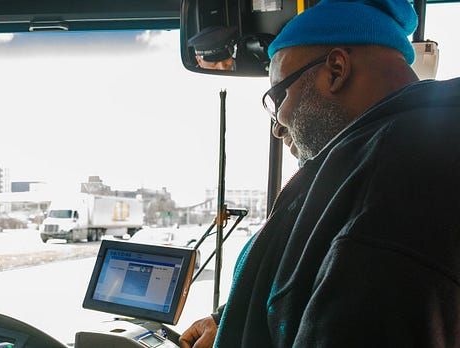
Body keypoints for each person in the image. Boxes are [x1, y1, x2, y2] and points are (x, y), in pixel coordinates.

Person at [179, 0, 459, 346]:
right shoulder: (381, 156)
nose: (278, 126)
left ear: (336, 70)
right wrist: (229, 319)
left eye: (278, 95)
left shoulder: (396, 183)